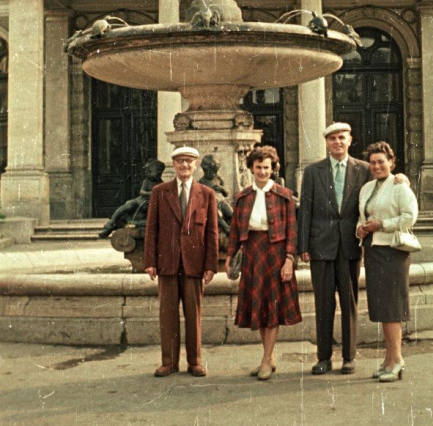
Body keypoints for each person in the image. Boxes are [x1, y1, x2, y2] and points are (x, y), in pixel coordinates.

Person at [297, 121, 371, 375]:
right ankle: (324, 357)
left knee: (349, 303)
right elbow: (305, 210)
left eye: (341, 137)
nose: (337, 142)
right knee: (323, 304)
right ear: (326, 143)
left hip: (350, 245)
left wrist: (400, 179)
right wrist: (303, 245)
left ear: (350, 140)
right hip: (321, 245)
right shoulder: (313, 171)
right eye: (332, 138)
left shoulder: (364, 169)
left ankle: (349, 357)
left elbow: (378, 192)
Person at [225, 146, 301, 380]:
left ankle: (266, 360)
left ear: (273, 168)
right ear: (251, 168)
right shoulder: (242, 197)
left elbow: (292, 231)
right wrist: (230, 256)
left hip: (275, 254)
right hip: (252, 253)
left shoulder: (284, 195)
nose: (262, 171)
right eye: (258, 167)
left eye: (266, 167)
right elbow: (235, 230)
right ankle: (269, 356)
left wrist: (289, 260)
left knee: (273, 307)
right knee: (259, 307)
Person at [144, 146, 219, 378]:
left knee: (193, 314)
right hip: (167, 262)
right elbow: (152, 228)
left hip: (194, 263)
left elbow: (212, 232)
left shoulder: (206, 194)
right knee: (168, 315)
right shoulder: (160, 192)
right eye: (179, 161)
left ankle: (195, 361)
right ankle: (169, 362)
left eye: (188, 161)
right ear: (174, 165)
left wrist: (211, 265)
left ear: (196, 165)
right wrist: (150, 261)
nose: (184, 165)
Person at [356, 141, 419, 383]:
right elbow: (363, 216)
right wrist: (360, 229)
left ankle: (397, 359)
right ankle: (389, 359)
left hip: (393, 252)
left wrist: (382, 225)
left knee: (392, 308)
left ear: (391, 162)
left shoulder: (400, 186)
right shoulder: (367, 188)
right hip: (374, 250)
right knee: (382, 308)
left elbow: (410, 217)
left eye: (381, 161)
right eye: (372, 162)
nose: (376, 166)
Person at [97, 158, 165, 238]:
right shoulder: (147, 181)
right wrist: (152, 193)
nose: (159, 174)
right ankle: (112, 221)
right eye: (157, 172)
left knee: (131, 220)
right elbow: (141, 192)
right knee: (128, 206)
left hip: (148, 205)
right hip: (139, 202)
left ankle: (109, 229)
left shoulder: (161, 183)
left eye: (160, 172)